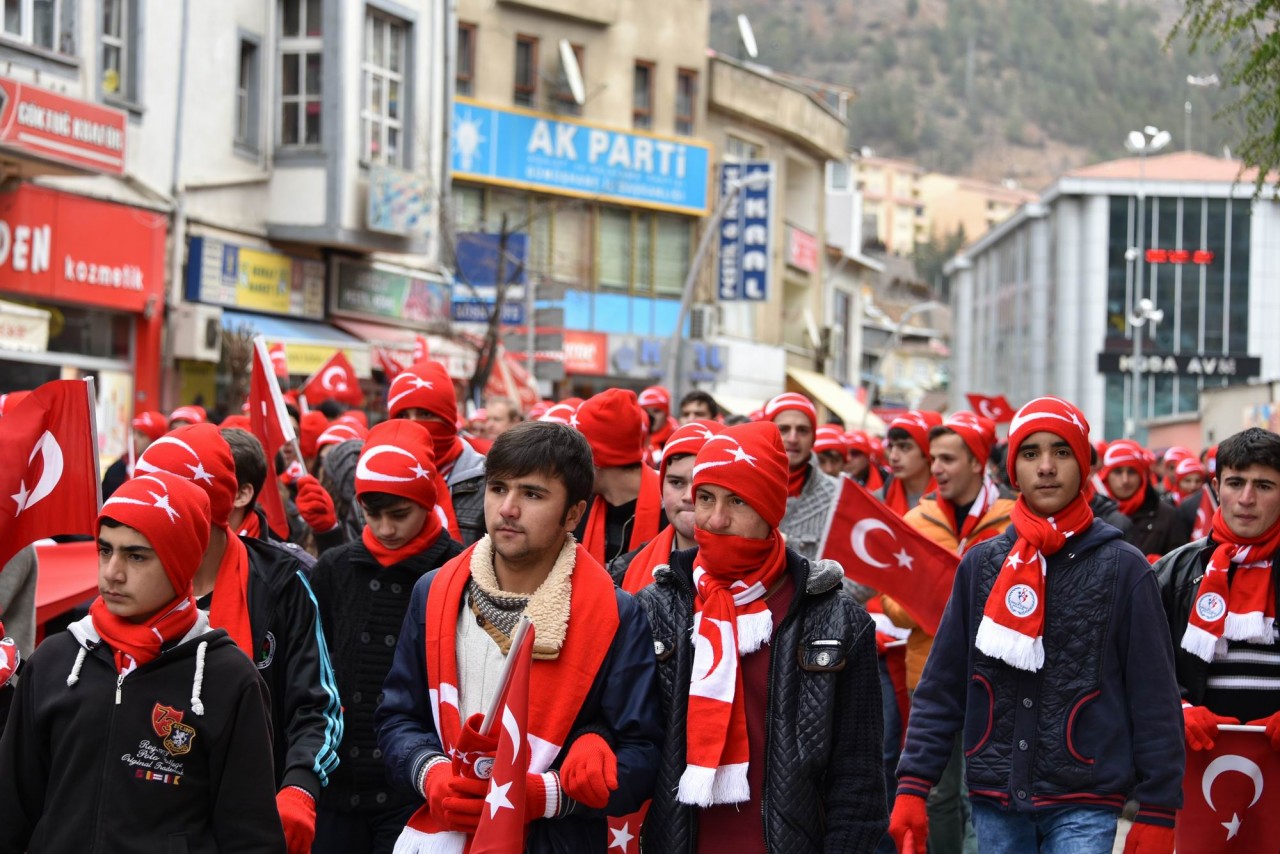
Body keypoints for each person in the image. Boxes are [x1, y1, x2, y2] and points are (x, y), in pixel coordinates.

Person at [891, 397, 1184, 854]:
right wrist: (912, 784)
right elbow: (942, 684)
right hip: (995, 797)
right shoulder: (981, 565)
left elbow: (1154, 698)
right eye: (1031, 454)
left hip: (1087, 798)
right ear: (1013, 470)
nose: (1046, 467)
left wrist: (1158, 807)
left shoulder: (1125, 568)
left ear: (1083, 465)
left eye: (1061, 452)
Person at [375, 421, 663, 852]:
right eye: (498, 488)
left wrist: (548, 794)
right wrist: (431, 773)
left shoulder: (617, 614)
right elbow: (396, 718)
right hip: (441, 836)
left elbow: (641, 754)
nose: (508, 508)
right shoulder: (434, 592)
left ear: (574, 514)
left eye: (532, 494)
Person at [0, 472, 285, 853]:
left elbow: (250, 836)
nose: (112, 573)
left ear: (179, 559)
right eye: (105, 550)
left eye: (136, 555)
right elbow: (11, 814)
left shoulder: (228, 679)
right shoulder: (54, 661)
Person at [635, 420, 887, 851]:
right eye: (706, 498)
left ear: (771, 508)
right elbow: (630, 742)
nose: (715, 519)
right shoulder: (654, 608)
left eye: (737, 500)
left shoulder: (838, 620)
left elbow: (859, 782)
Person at [136, 423, 343, 854]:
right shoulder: (126, 585)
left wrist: (300, 787)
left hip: (251, 818)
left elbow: (318, 705)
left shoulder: (283, 582)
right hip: (145, 815)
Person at [309, 420, 463, 854]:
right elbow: (312, 668)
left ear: (428, 503)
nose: (386, 529)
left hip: (414, 787)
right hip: (336, 781)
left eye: (400, 515)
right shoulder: (335, 569)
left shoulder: (458, 570)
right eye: (372, 515)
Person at [882, 411, 1013, 854]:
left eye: (948, 458)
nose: (936, 467)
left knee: (981, 794)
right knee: (936, 793)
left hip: (998, 681)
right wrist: (929, 603)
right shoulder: (916, 521)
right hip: (930, 675)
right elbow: (891, 605)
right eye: (933, 457)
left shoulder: (1011, 521)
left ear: (978, 462)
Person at [1155, 428, 1280, 762]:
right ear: (1216, 488)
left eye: (1264, 486)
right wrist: (1177, 708)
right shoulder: (1173, 571)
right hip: (1194, 763)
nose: (1246, 499)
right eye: (1236, 483)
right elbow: (1141, 664)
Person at [610, 420, 722, 590]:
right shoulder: (624, 570)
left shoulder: (771, 574)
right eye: (676, 482)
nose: (688, 497)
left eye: (703, 485)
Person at [388, 361, 487, 546]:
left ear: (448, 419)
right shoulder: (378, 477)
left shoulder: (488, 481)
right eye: (402, 416)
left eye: (425, 414)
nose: (413, 424)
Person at [573, 388, 666, 565]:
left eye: (573, 451)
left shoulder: (673, 509)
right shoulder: (578, 506)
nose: (566, 461)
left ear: (593, 457)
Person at [765, 392, 839, 561]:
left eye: (802, 430)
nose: (793, 438)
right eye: (783, 429)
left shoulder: (838, 496)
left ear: (813, 438)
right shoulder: (744, 487)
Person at [1093, 439, 1189, 560]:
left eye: (1132, 472)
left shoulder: (1168, 516)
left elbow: (1181, 566)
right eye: (1117, 472)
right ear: (1106, 476)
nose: (1125, 480)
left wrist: (1159, 566)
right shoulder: (1092, 514)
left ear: (1142, 475)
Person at [875, 411, 940, 515]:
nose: (893, 456)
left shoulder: (952, 500)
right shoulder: (878, 500)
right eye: (891, 446)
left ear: (927, 451)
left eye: (905, 447)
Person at [102, 409, 168, 499]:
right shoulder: (118, 469)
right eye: (134, 433)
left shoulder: (165, 472)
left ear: (156, 440)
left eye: (141, 435)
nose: (135, 438)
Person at [639, 385, 677, 454]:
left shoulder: (676, 440)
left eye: (656, 411)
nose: (651, 416)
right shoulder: (633, 441)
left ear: (666, 414)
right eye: (645, 411)